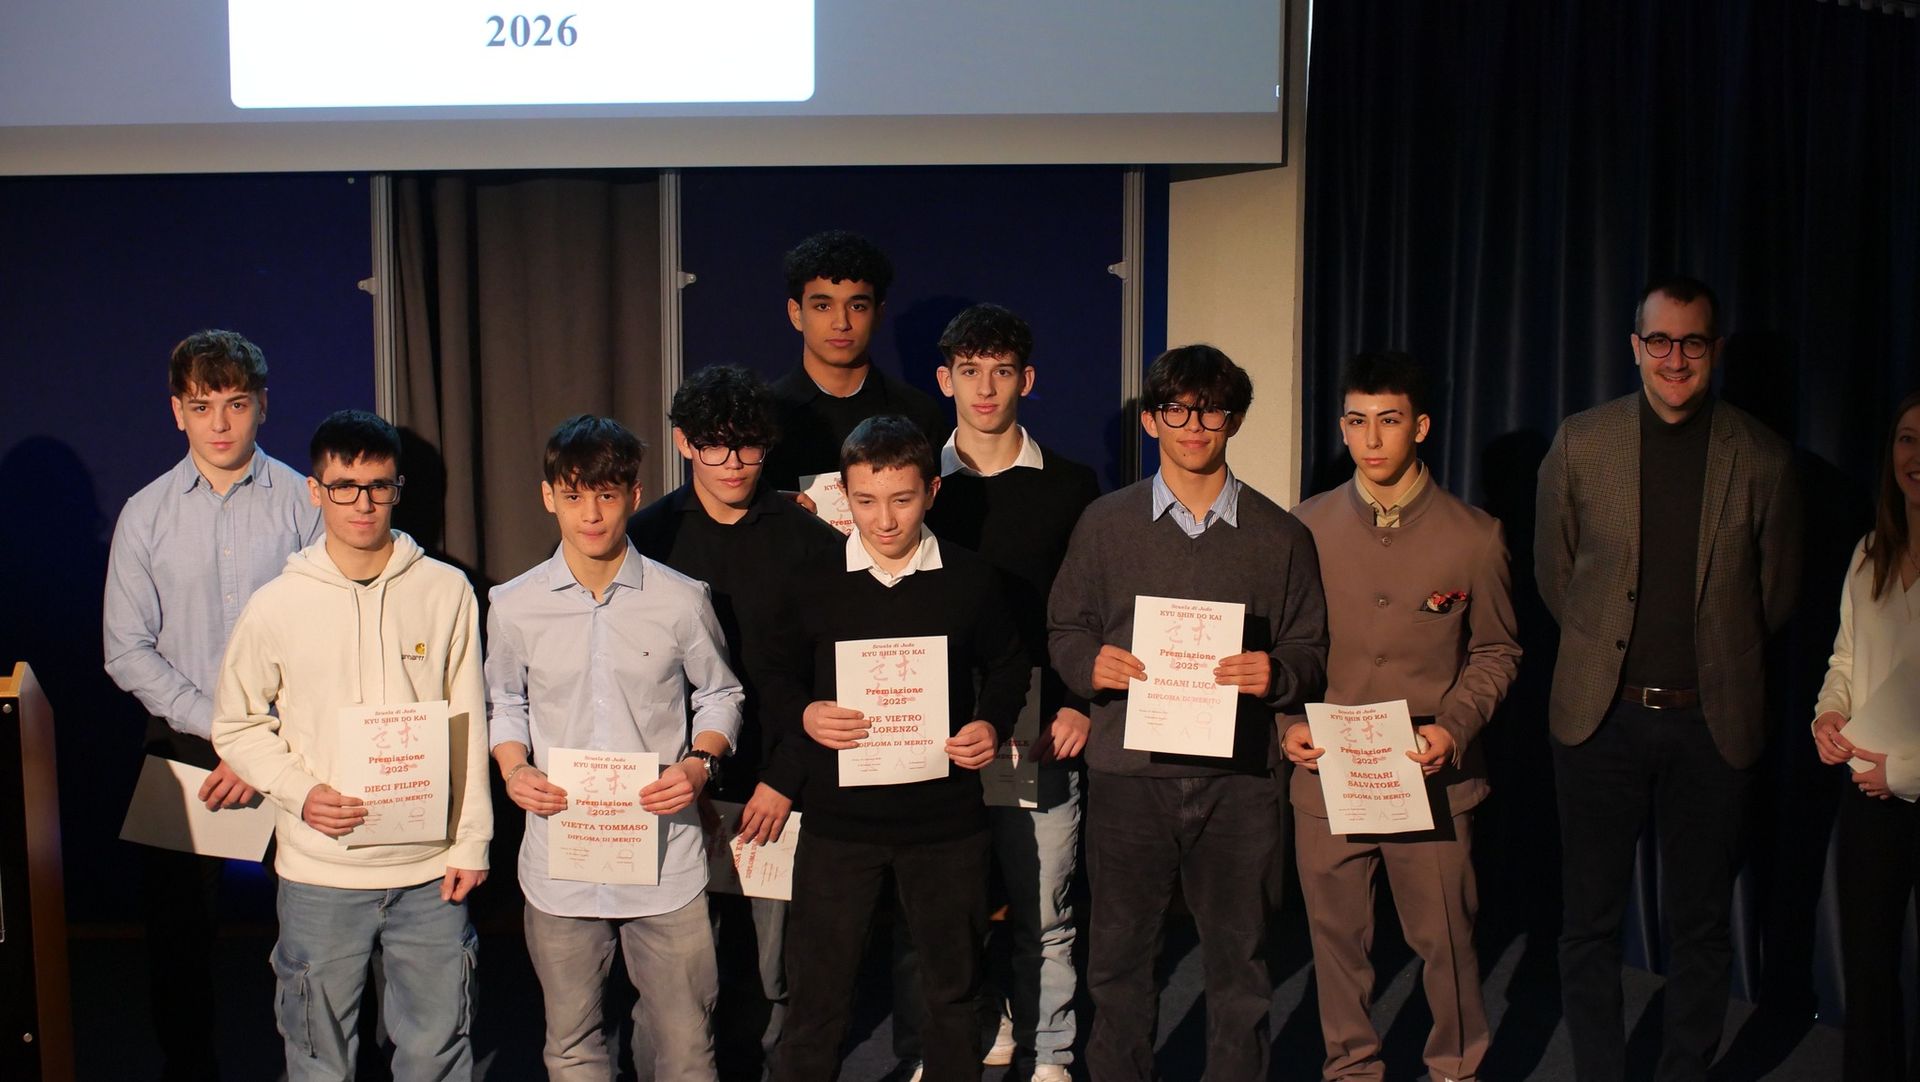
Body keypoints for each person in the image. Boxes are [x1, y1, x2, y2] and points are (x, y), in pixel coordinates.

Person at [1536, 276, 1800, 1082]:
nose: (1674, 358)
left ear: (1714, 349)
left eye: (1691, 342)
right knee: (1589, 921)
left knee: (1701, 926)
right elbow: (1556, 576)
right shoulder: (1583, 443)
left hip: (1710, 723)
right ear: (1635, 348)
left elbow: (1776, 595)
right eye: (1660, 341)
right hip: (1600, 717)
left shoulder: (1761, 457)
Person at [1048, 344, 1328, 1082]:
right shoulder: (1105, 524)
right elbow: (1066, 628)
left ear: (1233, 420)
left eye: (1210, 411)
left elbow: (1310, 649)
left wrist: (1277, 673)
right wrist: (1088, 664)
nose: (1194, 426)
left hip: (1240, 780)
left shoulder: (1281, 535)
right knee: (1119, 961)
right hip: (1129, 775)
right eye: (1176, 410)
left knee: (1242, 965)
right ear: (1151, 421)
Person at [212, 409, 493, 1081]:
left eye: (378, 486)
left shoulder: (445, 590)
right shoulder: (278, 603)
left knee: (437, 1050)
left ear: (397, 489)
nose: (362, 503)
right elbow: (237, 724)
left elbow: (467, 720)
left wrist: (471, 841)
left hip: (428, 873)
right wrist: (302, 793)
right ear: (316, 490)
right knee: (318, 1055)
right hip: (321, 874)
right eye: (344, 486)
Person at [765, 415, 1030, 1082]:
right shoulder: (811, 579)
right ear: (844, 494)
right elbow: (772, 674)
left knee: (951, 994)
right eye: (865, 500)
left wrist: (991, 724)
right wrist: (804, 712)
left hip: (945, 825)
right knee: (817, 998)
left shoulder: (970, 577)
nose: (884, 520)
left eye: (902, 499)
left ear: (932, 492)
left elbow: (1008, 663)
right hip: (838, 826)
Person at [1283, 351, 1520, 1082]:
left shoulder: (1474, 535)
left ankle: (1456, 1067)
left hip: (1431, 772)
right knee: (1336, 942)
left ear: (1419, 426)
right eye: (1357, 422)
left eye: (1388, 421)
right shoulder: (1305, 526)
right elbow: (1285, 646)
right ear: (1343, 428)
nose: (1371, 438)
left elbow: (1498, 650)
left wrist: (1455, 726)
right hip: (1330, 772)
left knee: (1446, 939)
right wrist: (1286, 724)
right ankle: (1350, 1067)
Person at [489, 414, 744, 1081]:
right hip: (562, 862)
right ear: (549, 497)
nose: (592, 514)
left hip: (666, 860)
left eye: (606, 494)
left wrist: (700, 764)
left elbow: (722, 693)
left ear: (633, 494)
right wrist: (514, 768)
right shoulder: (513, 605)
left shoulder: (680, 599)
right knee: (572, 1044)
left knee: (687, 1051)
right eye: (574, 495)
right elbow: (504, 703)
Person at [102, 328, 321, 1081]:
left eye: (235, 403)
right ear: (177, 412)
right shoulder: (145, 514)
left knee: (319, 932)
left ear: (262, 405)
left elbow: (332, 631)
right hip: (188, 743)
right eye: (202, 406)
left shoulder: (304, 502)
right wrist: (225, 735)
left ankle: (323, 1066)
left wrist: (264, 742)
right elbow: (126, 649)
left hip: (296, 743)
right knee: (178, 942)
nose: (220, 423)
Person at [626, 367, 843, 1078]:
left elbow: (830, 675)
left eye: (748, 447)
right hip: (671, 787)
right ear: (684, 444)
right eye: (715, 446)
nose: (733, 464)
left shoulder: (810, 542)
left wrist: (785, 779)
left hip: (776, 786)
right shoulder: (647, 537)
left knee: (768, 975)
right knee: (669, 982)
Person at [917, 303, 1100, 1082]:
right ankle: (971, 1030)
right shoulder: (915, 482)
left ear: (1028, 379)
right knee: (946, 908)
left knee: (1042, 906)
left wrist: (1078, 701)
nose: (985, 388)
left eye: (1001, 371)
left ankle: (1049, 1049)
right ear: (945, 380)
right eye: (970, 371)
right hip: (934, 723)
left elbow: (1089, 607)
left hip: (1038, 722)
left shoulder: (1071, 486)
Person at [1810, 390, 1920, 1081]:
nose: (1918, 456)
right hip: (1869, 802)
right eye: (1908, 439)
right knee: (1870, 974)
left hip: (1904, 782)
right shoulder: (1869, 552)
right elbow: (1846, 661)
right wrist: (1828, 715)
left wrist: (1903, 773)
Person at [760, 230, 947, 494]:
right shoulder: (764, 417)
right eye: (823, 306)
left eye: (857, 306)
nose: (841, 323)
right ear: (796, 313)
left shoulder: (919, 414)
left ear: (878, 314)